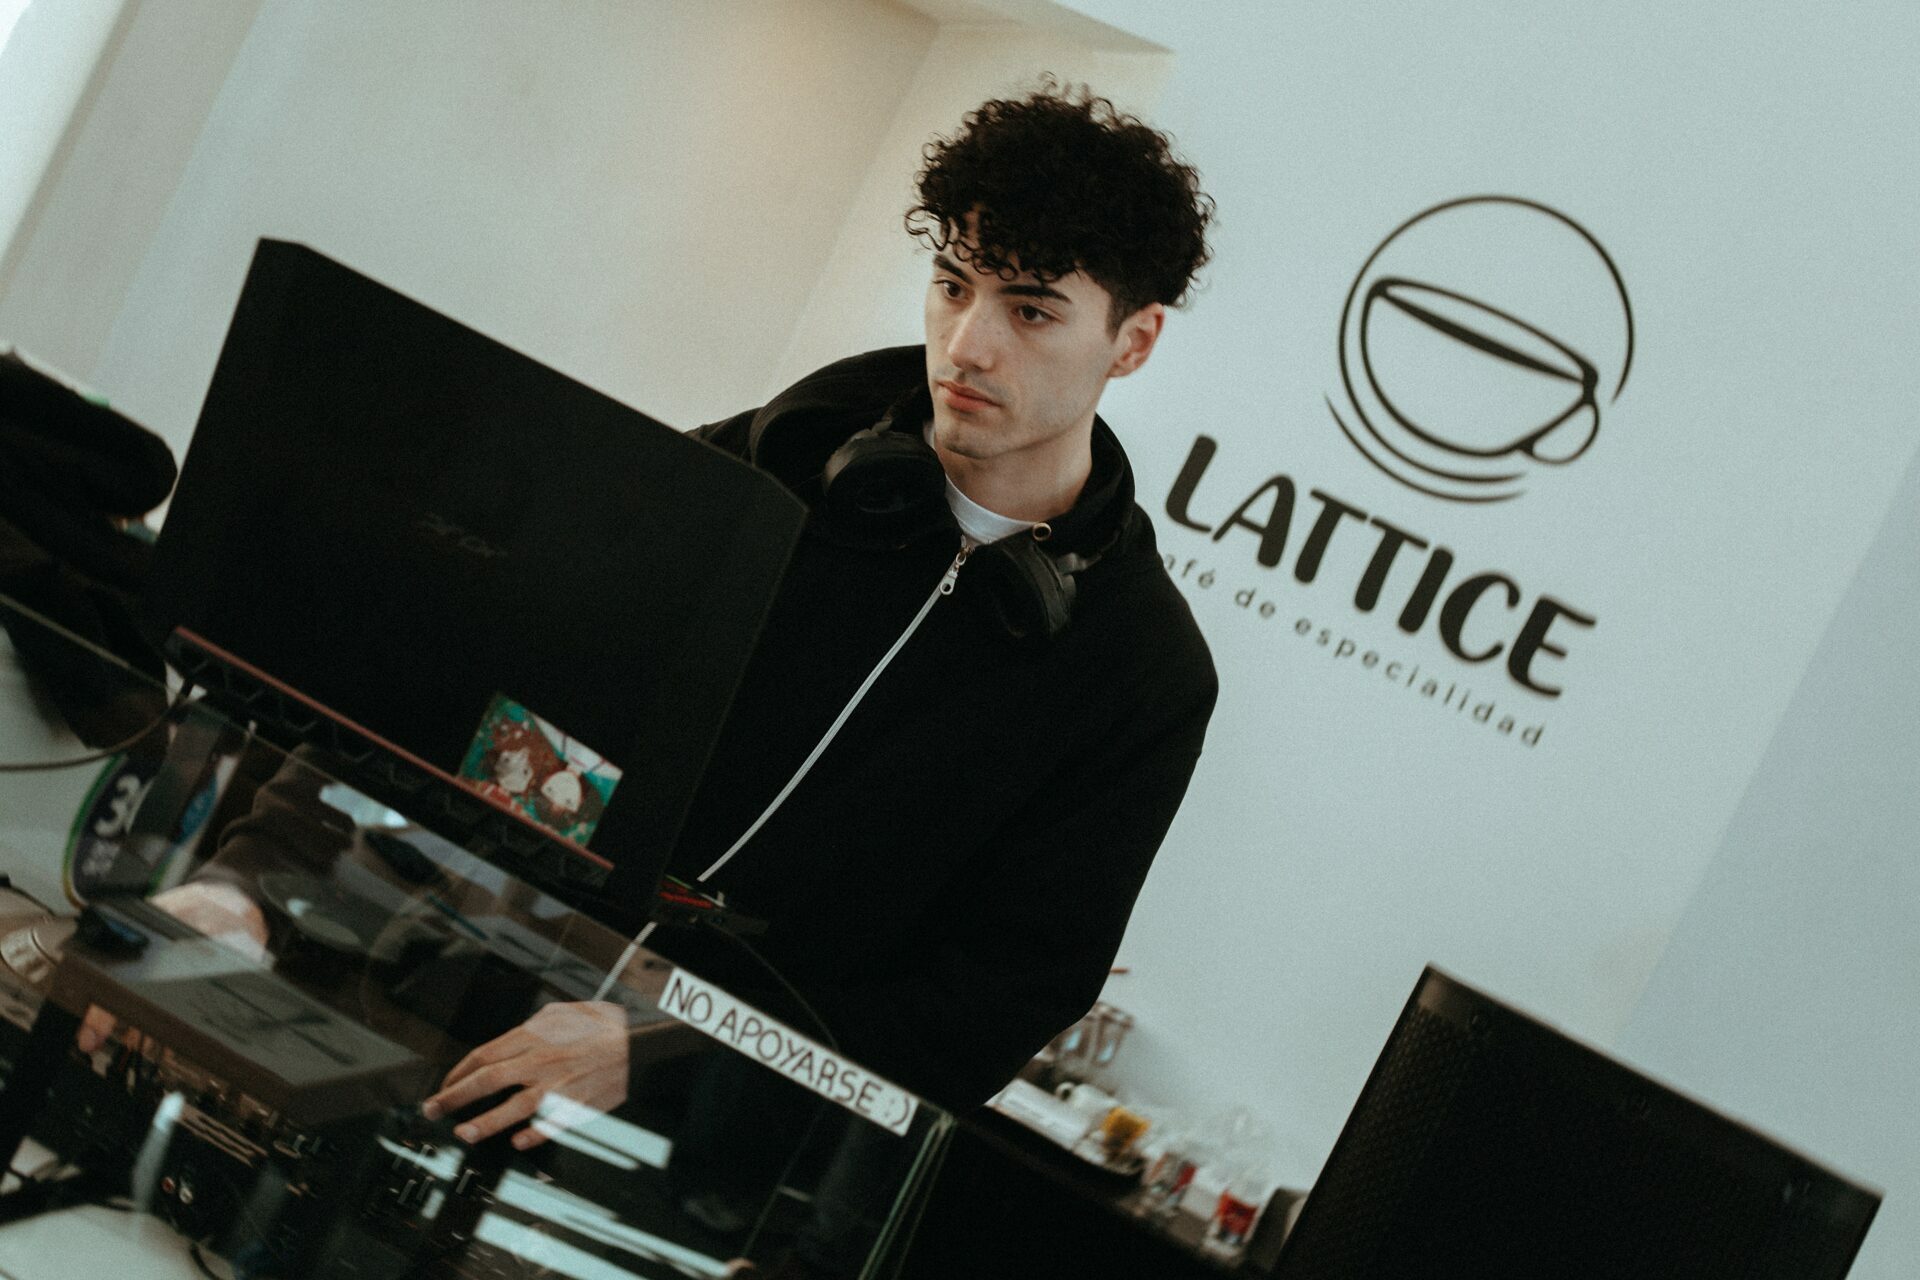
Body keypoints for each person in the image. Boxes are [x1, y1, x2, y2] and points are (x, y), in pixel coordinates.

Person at [420, 81, 1219, 1147]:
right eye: (952, 286)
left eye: (1030, 311)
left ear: (1134, 341)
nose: (968, 345)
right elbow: (494, 694)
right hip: (452, 1014)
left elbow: (986, 1010)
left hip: (705, 1166)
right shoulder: (759, 467)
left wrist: (664, 1050)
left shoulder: (1142, 670)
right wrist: (268, 871)